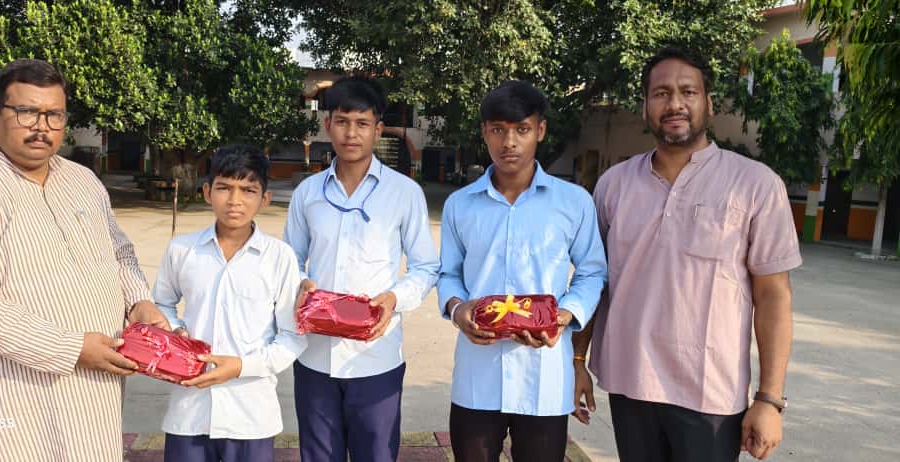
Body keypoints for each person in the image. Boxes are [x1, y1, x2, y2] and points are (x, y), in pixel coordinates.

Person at [0, 58, 169, 461]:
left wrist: (138, 301)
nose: (42, 127)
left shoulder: (83, 181)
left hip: (94, 400)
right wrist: (72, 348)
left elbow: (119, 252)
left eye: (54, 115)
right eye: (27, 112)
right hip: (12, 406)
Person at [572, 47, 802, 462]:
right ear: (645, 106)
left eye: (688, 92)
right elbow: (594, 282)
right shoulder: (614, 185)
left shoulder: (755, 185)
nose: (674, 103)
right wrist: (575, 359)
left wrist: (770, 399)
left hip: (711, 394)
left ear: (708, 103)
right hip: (629, 384)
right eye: (661, 93)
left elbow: (773, 297)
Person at [437, 81, 608, 462]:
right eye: (498, 130)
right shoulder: (460, 205)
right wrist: (457, 309)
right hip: (478, 375)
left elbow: (592, 272)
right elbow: (448, 273)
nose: (509, 142)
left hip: (543, 374)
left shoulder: (573, 203)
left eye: (522, 129)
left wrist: (565, 315)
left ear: (540, 130)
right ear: (484, 132)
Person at [283, 75, 440, 462]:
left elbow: (425, 266)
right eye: (342, 121)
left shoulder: (404, 193)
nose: (351, 133)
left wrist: (394, 298)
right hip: (315, 357)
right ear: (327, 125)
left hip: (376, 358)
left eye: (362, 123)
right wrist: (299, 284)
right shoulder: (308, 193)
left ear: (378, 129)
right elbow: (288, 260)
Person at [153, 144, 307, 461]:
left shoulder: (279, 258)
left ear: (265, 198)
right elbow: (162, 304)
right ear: (207, 192)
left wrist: (240, 367)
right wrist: (176, 331)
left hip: (250, 414)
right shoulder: (182, 250)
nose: (235, 200)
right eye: (224, 188)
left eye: (248, 190)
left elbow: (292, 337)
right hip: (189, 409)